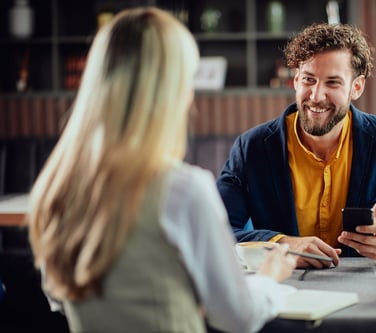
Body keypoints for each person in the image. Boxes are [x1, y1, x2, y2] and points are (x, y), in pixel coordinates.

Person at [27, 7, 297, 333]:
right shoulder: (183, 189)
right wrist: (270, 278)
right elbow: (237, 317)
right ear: (170, 91)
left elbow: (56, 295)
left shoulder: (58, 186)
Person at [216, 23, 376, 268]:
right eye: (309, 80)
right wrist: (281, 244)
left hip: (367, 292)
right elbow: (216, 232)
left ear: (357, 87)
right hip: (283, 291)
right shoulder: (252, 148)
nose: (316, 95)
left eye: (332, 83)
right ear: (297, 79)